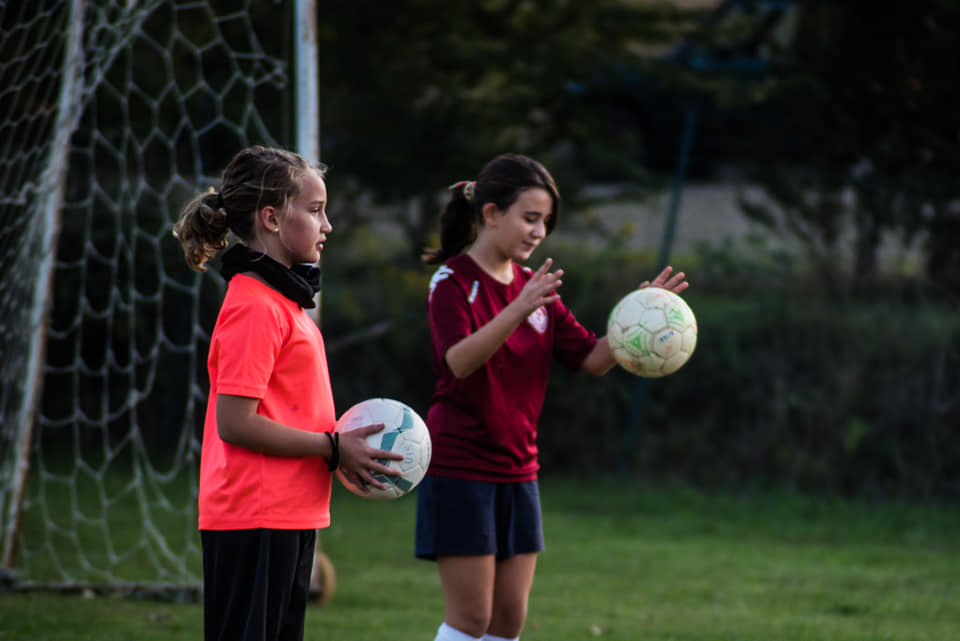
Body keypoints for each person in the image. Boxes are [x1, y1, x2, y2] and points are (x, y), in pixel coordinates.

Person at [416, 153, 688, 641]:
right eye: (530, 218)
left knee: (507, 622)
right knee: (471, 620)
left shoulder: (532, 290)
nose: (539, 231)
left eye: (546, 222)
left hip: (519, 470)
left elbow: (592, 359)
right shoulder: (453, 283)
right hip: (461, 468)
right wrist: (517, 310)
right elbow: (456, 361)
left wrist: (640, 320)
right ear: (492, 213)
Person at [173, 145, 402, 641]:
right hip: (255, 514)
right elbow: (235, 422)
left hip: (287, 512)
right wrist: (333, 448)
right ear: (272, 218)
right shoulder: (255, 306)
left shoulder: (284, 302)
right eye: (316, 210)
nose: (328, 226)